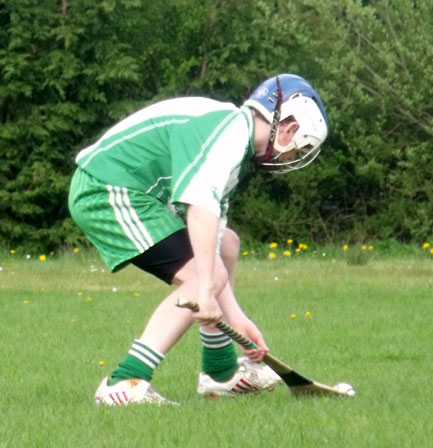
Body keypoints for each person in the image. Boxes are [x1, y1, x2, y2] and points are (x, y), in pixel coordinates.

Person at [68, 74, 329, 405]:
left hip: (136, 194)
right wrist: (204, 289)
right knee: (203, 277)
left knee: (227, 246)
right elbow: (200, 208)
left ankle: (218, 373)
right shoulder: (228, 132)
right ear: (289, 127)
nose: (291, 158)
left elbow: (214, 242)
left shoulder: (233, 143)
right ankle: (125, 381)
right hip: (106, 188)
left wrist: (238, 321)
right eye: (299, 147)